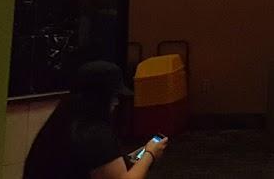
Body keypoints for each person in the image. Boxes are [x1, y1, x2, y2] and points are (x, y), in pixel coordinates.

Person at [23, 60, 168, 178]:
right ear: (101, 98)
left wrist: (127, 160)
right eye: (114, 96)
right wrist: (150, 154)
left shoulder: (61, 122)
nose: (116, 102)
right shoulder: (94, 134)